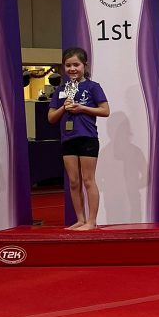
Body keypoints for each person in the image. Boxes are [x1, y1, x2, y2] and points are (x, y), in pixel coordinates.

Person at [48, 47, 109, 231]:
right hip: (68, 139)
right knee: (74, 182)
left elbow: (105, 110)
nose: (72, 69)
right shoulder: (61, 89)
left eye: (76, 65)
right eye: (68, 65)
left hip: (87, 138)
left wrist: (82, 108)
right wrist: (63, 108)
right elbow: (51, 118)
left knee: (88, 180)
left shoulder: (92, 87)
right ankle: (80, 219)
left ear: (84, 65)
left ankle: (92, 221)